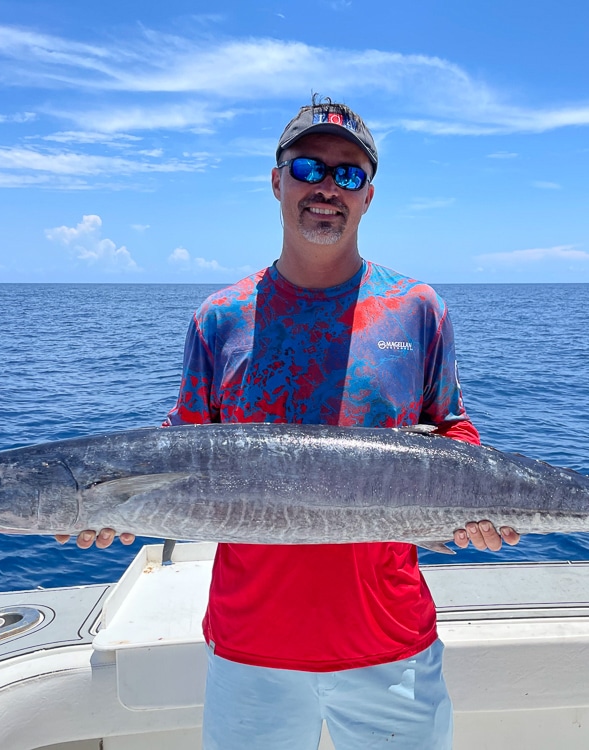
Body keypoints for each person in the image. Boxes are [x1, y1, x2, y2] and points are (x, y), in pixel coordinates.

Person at [58, 97, 518, 749]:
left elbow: (454, 435)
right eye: (308, 167)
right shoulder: (219, 319)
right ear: (277, 181)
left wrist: (478, 511)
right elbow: (173, 457)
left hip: (393, 649)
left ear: (369, 195)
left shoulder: (417, 310)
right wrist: (111, 508)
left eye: (348, 173)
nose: (327, 186)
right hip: (251, 655)